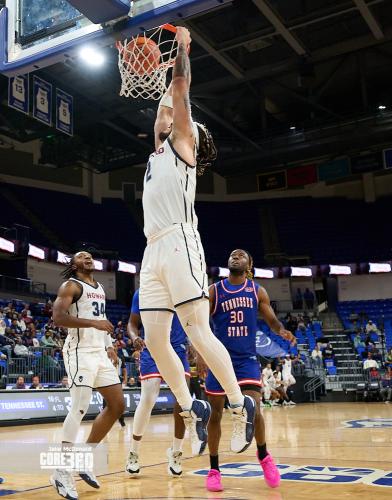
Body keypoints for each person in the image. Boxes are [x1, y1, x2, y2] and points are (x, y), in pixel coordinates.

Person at [139, 26, 255, 457]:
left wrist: (183, 49)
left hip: (181, 243)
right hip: (152, 249)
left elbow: (181, 92)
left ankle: (241, 407)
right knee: (154, 339)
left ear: (195, 137)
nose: (172, 120)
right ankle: (193, 408)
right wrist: (163, 68)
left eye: (182, 121)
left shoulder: (185, 145)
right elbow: (162, 112)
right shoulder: (160, 149)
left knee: (196, 331)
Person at [202, 249, 296, 492]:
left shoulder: (257, 291)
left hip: (245, 359)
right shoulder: (215, 290)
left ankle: (264, 456)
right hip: (219, 358)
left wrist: (281, 330)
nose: (235, 256)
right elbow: (200, 323)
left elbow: (272, 320)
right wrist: (200, 353)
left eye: (241, 255)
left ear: (249, 265)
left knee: (254, 409)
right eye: (232, 254)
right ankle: (214, 469)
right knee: (215, 414)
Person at [51, 251, 124, 500]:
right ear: (73, 264)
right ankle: (60, 470)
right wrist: (94, 325)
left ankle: (83, 458)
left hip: (99, 352)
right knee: (80, 407)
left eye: (90, 256)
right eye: (82, 257)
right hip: (79, 352)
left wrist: (109, 344)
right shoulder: (70, 285)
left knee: (117, 405)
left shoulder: (100, 287)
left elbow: (100, 319)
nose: (88, 258)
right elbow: (58, 317)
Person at [126, 288, 190, 477]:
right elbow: (132, 323)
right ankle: (133, 452)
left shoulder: (181, 290)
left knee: (183, 402)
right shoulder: (142, 292)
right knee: (148, 398)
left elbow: (192, 323)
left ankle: (176, 451)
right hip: (152, 348)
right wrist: (134, 337)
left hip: (178, 349)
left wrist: (195, 345)